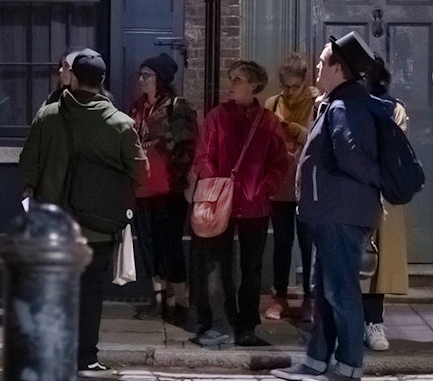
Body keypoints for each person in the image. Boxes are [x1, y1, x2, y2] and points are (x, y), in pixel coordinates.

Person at [19, 51, 144, 375]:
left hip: (54, 226)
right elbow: (141, 173)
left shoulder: (47, 117)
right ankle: (86, 356)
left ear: (73, 77)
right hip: (98, 226)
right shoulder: (121, 124)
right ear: (102, 81)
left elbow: (27, 168)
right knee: (90, 294)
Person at [273, 32, 383, 381]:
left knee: (340, 292)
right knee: (325, 291)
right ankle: (317, 360)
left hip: (340, 214)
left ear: (339, 68)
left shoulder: (345, 107)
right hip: (329, 212)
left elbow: (353, 157)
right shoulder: (336, 102)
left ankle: (348, 365)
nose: (317, 68)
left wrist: (370, 183)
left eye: (323, 62)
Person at [190, 60, 288, 348]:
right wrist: (215, 185)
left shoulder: (268, 122)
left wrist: (264, 188)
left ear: (254, 84)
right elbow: (203, 155)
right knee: (217, 264)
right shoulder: (217, 117)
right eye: (230, 78)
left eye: (238, 79)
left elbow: (279, 162)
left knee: (251, 267)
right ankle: (220, 321)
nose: (230, 84)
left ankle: (246, 323)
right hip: (221, 203)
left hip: (254, 204)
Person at [127, 53, 197, 326]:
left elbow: (188, 146)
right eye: (141, 75)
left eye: (148, 76)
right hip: (142, 188)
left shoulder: (177, 108)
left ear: (162, 80)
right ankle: (157, 298)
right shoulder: (136, 109)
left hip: (169, 189)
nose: (142, 80)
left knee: (171, 245)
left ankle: (178, 301)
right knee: (149, 245)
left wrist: (177, 174)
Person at [263, 53, 319, 323]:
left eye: (294, 86)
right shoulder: (273, 103)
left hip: (308, 186)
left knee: (308, 242)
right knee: (282, 243)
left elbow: (322, 143)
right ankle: (280, 297)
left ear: (304, 81)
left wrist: (300, 132)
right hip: (281, 184)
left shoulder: (318, 105)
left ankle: (310, 298)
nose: (288, 92)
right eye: (284, 86)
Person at [361, 55, 409, 352]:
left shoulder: (393, 108)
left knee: (375, 263)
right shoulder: (342, 104)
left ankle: (374, 323)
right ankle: (350, 323)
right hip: (350, 192)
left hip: (381, 194)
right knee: (349, 263)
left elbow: (396, 152)